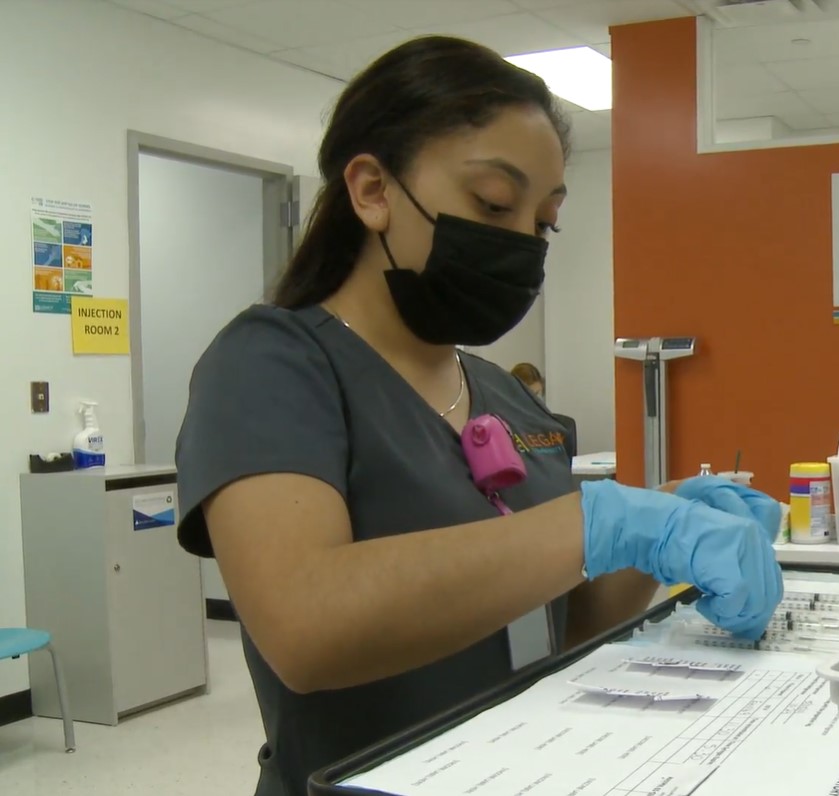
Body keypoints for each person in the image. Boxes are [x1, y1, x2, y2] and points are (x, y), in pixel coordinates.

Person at [173, 36, 782, 796]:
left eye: (544, 223)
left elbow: (566, 624)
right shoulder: (272, 364)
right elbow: (304, 625)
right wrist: (599, 522)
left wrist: (664, 532)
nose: (521, 243)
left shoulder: (506, 396)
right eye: (493, 203)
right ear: (373, 189)